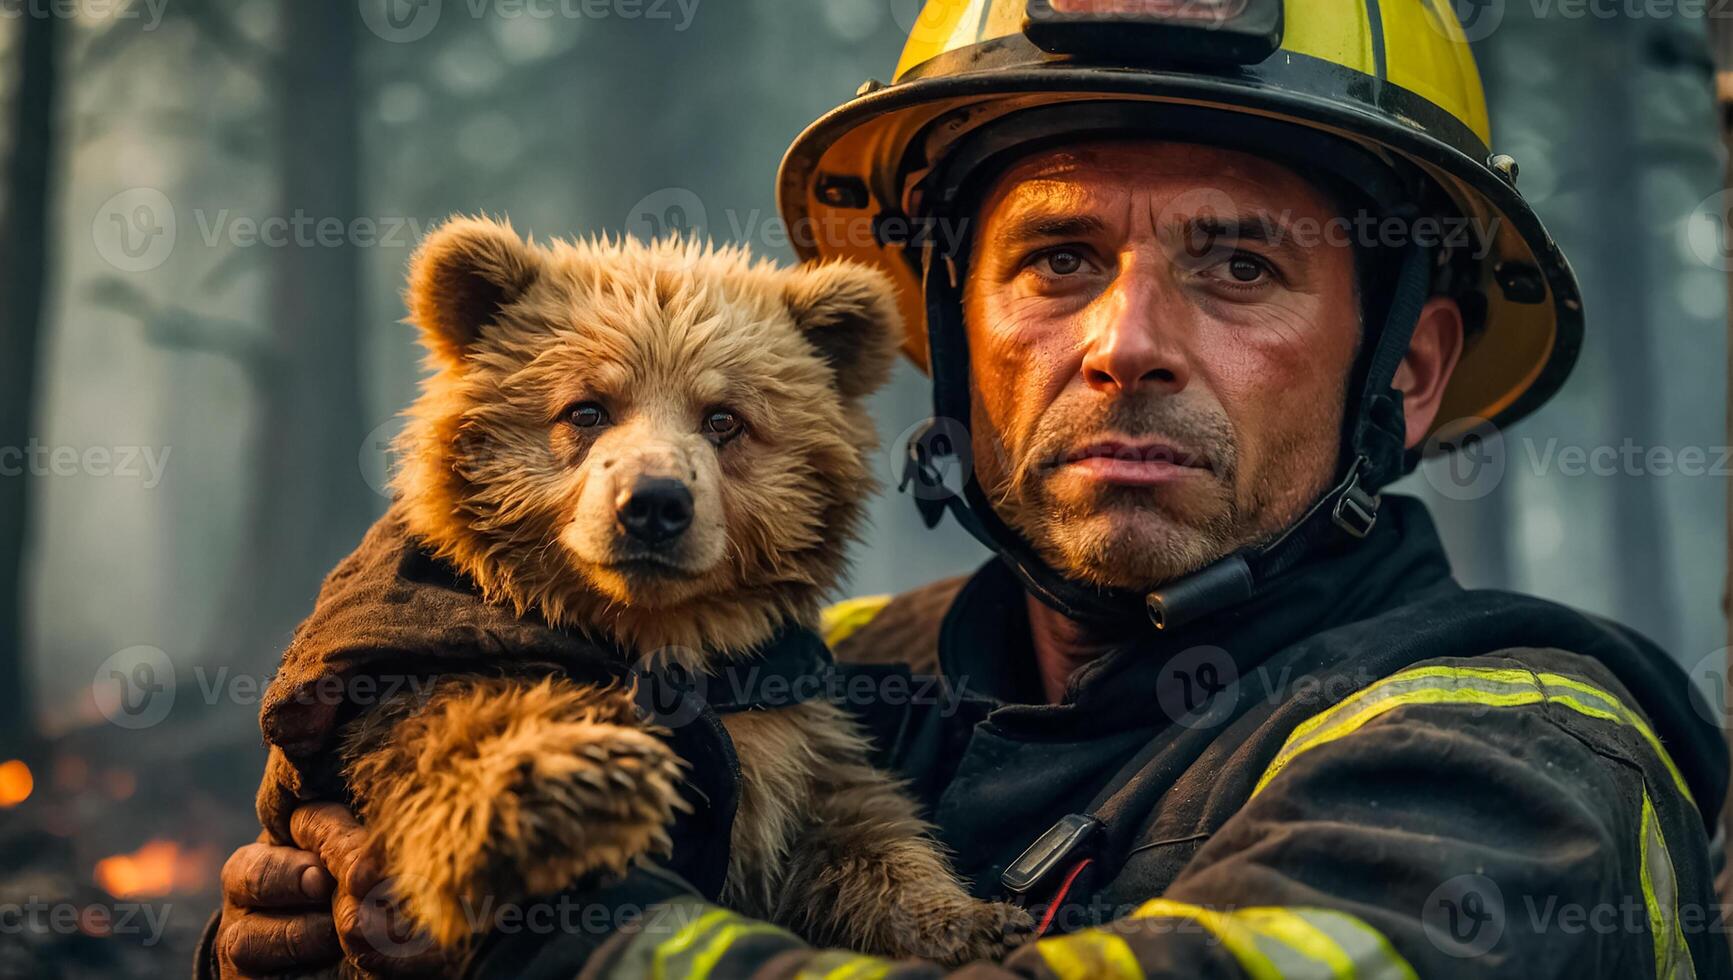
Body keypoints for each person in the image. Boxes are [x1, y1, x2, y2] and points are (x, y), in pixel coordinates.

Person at [203, 2, 1732, 976]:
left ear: (1401, 372)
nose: (1125, 346)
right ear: (945, 336)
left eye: (1240, 265)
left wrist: (555, 942)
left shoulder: (1508, 762)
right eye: (1057, 261)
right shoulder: (830, 673)